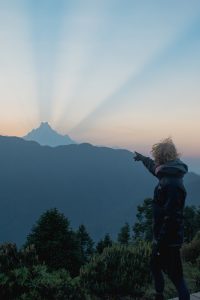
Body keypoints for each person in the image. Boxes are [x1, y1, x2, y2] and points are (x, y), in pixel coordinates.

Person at [133, 137, 190, 300]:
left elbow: (172, 217)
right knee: (155, 264)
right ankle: (159, 295)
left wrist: (160, 241)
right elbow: (155, 169)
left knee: (176, 277)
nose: (155, 159)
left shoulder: (171, 183)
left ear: (161, 156)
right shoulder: (168, 173)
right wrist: (143, 159)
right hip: (165, 236)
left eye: (156, 155)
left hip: (168, 238)